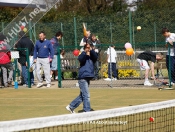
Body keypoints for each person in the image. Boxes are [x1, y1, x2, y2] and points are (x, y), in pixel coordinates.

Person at [66, 43, 97, 113]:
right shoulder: (82, 55)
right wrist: (84, 52)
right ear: (84, 48)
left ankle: (71, 106)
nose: (88, 49)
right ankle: (87, 110)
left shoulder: (92, 57)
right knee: (86, 95)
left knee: (82, 96)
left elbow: (96, 57)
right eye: (87, 48)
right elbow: (80, 59)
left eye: (89, 48)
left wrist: (91, 50)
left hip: (88, 77)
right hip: (82, 78)